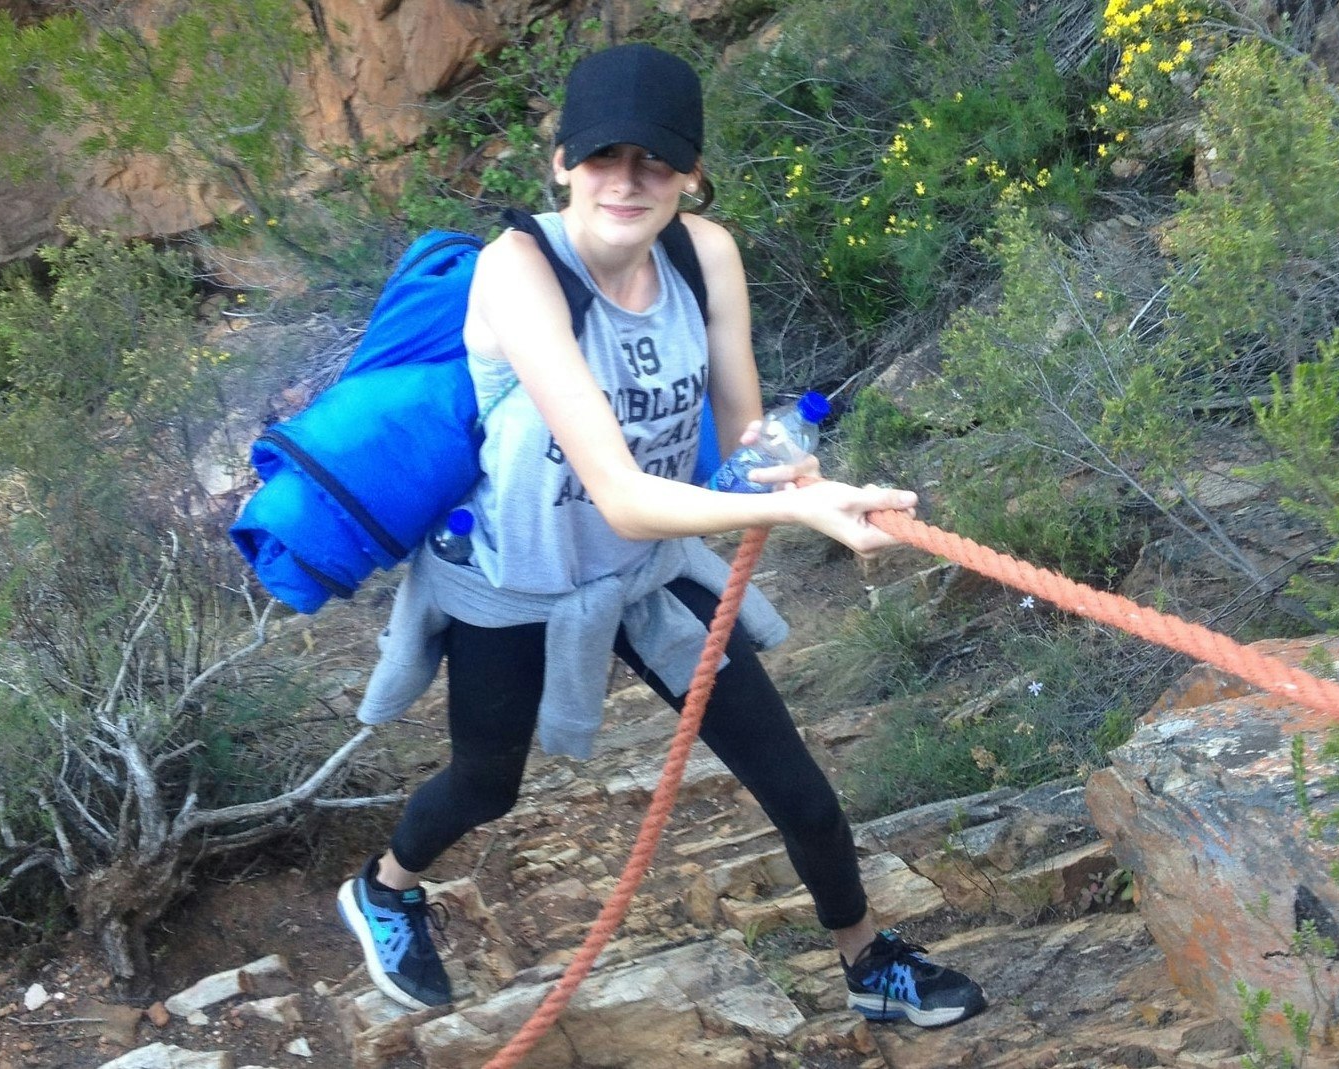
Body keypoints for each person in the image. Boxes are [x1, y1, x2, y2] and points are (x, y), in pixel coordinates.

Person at [336, 42, 988, 1029]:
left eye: (655, 159)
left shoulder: (702, 255)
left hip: (644, 571)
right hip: (509, 578)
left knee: (798, 787)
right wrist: (793, 511)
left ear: (691, 173)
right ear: (562, 162)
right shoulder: (520, 271)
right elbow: (622, 494)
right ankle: (384, 888)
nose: (626, 180)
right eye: (603, 155)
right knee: (486, 783)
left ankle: (866, 959)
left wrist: (808, 478)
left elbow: (744, 436)